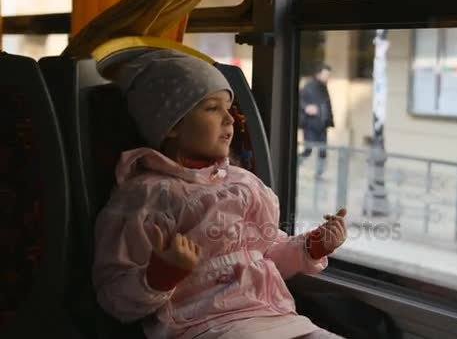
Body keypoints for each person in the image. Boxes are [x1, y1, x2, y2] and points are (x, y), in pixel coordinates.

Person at [92, 49, 348, 339]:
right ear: (172, 124)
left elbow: (266, 254)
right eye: (212, 108)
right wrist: (159, 277)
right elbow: (113, 297)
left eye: (228, 107)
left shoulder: (244, 184)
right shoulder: (146, 196)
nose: (230, 119)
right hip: (201, 327)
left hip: (276, 318)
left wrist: (312, 246)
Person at [298, 63, 334, 180]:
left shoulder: (324, 87)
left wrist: (329, 120)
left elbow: (327, 105)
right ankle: (295, 165)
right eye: (325, 74)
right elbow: (299, 100)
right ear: (319, 74)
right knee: (308, 150)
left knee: (323, 150)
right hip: (311, 124)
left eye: (328, 74)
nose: (327, 76)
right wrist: (306, 107)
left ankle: (319, 174)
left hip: (322, 124)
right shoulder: (309, 86)